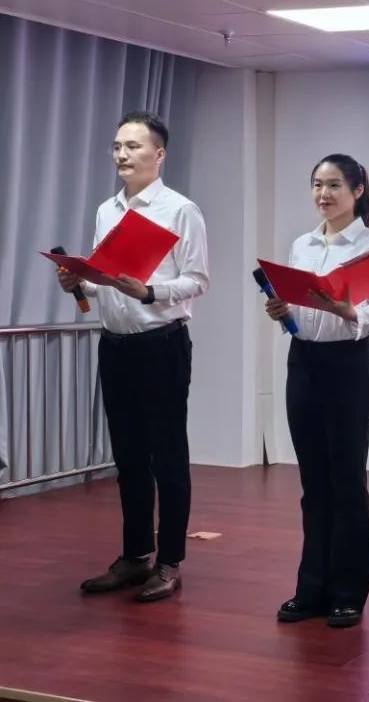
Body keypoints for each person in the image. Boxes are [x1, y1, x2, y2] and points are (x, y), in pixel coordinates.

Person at [58, 110, 209, 602]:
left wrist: (148, 292)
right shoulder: (107, 210)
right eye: (117, 146)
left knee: (168, 457)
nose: (122, 154)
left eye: (133, 146)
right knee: (127, 457)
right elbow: (104, 281)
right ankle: (135, 556)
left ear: (159, 154)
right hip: (115, 345)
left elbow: (197, 280)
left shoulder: (180, 210)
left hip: (161, 344)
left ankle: (169, 562)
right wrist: (79, 281)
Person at [264, 153, 369, 628]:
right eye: (317, 185)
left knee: (346, 482)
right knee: (313, 483)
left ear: (357, 191)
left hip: (348, 367)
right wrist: (284, 313)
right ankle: (312, 588)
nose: (323, 194)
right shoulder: (301, 244)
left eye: (334, 185)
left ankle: (348, 592)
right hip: (303, 362)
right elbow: (301, 308)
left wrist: (350, 312)